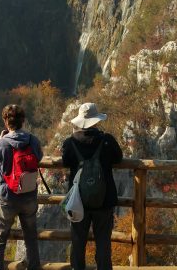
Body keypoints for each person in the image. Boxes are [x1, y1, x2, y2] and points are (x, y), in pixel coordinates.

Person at [61, 102, 123, 270]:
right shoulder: (107, 141)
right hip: (104, 201)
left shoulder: (70, 143)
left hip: (78, 200)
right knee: (103, 242)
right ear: (96, 121)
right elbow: (118, 158)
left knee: (78, 242)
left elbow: (65, 161)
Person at [0, 104, 44, 270]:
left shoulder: (1, 144)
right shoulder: (33, 140)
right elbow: (39, 157)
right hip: (29, 196)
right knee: (31, 239)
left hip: (6, 197)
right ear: (23, 121)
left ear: (6, 122)